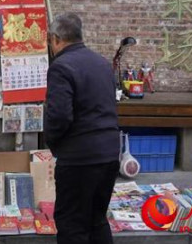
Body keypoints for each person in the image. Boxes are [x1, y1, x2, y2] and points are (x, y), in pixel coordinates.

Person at [45, 12, 121, 244]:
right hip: (109, 154)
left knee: (72, 225)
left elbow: (59, 116)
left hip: (79, 158)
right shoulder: (102, 63)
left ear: (56, 39)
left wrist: (54, 144)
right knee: (97, 220)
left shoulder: (61, 67)